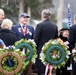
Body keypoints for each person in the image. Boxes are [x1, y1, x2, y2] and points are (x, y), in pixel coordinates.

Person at [34, 9, 58, 75]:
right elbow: (56, 39)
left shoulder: (40, 25)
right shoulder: (54, 26)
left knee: (41, 70)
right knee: (49, 71)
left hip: (41, 51)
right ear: (49, 16)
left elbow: (36, 39)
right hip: (51, 51)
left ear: (42, 16)